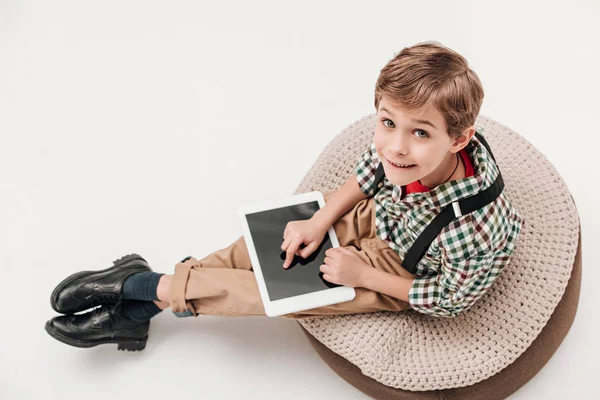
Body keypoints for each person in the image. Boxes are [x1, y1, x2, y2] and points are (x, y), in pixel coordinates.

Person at [45, 41, 525, 352]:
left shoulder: (471, 228)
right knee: (270, 243)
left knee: (279, 294)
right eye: (387, 123)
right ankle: (144, 305)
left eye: (420, 133)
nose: (396, 145)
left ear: (458, 140)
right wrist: (320, 222)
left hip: (409, 268)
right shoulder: (400, 155)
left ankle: (148, 289)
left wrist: (361, 272)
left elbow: (449, 298)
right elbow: (373, 172)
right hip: (389, 216)